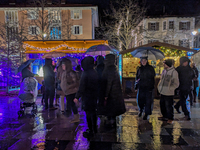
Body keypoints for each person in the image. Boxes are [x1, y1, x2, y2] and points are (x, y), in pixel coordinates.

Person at [74, 56, 98, 138]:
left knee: (88, 114)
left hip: (87, 97)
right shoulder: (94, 72)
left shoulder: (85, 73)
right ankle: (94, 129)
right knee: (93, 113)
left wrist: (77, 96)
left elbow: (82, 87)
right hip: (94, 96)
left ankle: (90, 130)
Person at [101, 54, 126, 127]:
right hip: (115, 93)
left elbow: (109, 83)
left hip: (111, 94)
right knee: (113, 110)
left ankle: (110, 125)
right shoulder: (114, 68)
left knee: (110, 110)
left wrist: (106, 95)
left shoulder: (109, 69)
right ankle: (113, 123)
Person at [157, 59, 179, 124]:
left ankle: (170, 118)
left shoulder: (174, 72)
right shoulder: (164, 71)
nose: (163, 65)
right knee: (162, 105)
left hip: (169, 92)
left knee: (169, 105)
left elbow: (176, 83)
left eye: (165, 64)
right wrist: (159, 87)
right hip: (162, 91)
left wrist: (170, 88)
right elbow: (161, 79)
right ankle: (164, 116)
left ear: (168, 64)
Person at [60, 58, 80, 123]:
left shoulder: (71, 73)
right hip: (67, 91)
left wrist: (68, 87)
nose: (62, 66)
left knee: (72, 104)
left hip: (71, 91)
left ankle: (76, 117)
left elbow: (76, 82)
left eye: (64, 65)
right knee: (70, 104)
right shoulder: (64, 73)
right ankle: (73, 116)